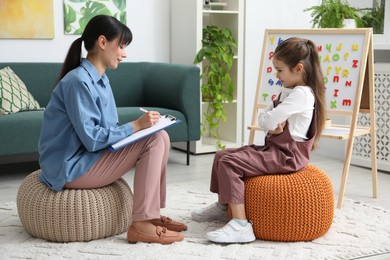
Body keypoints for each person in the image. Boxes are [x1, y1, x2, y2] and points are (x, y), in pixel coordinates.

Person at [38, 15, 186, 245]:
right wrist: (136, 126)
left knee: (161, 135)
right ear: (103, 42)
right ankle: (141, 224)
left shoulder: (101, 79)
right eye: (122, 46)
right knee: (154, 139)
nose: (124, 53)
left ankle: (152, 215)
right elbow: (92, 140)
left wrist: (140, 129)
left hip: (87, 157)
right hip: (70, 167)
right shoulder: (78, 81)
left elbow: (107, 131)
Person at [191, 37, 326, 243]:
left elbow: (269, 118)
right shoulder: (288, 91)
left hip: (287, 156)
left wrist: (270, 122)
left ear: (298, 68)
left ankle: (240, 226)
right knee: (221, 155)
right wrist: (270, 123)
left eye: (280, 70)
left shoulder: (302, 94)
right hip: (274, 150)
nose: (276, 74)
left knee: (229, 163)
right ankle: (224, 206)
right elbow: (265, 118)